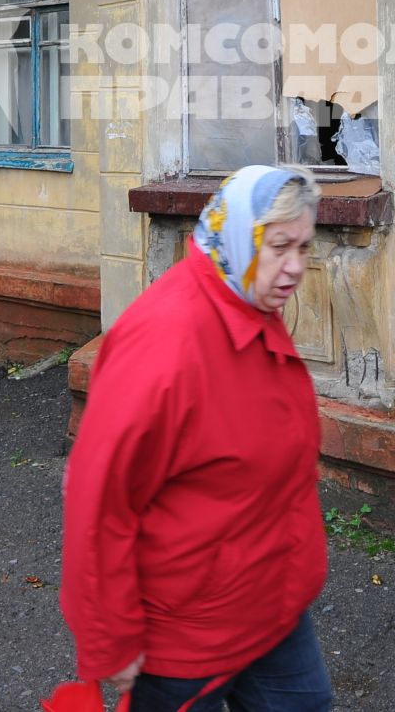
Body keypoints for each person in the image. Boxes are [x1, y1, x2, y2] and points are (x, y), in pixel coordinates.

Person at [59, 165, 333, 712]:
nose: (296, 268)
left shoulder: (246, 298)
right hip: (187, 637)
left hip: (270, 605)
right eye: (280, 247)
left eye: (304, 247)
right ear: (239, 235)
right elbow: (99, 496)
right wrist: (109, 638)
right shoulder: (165, 343)